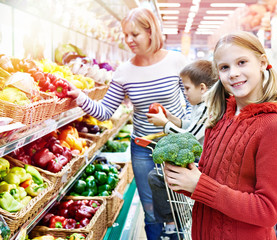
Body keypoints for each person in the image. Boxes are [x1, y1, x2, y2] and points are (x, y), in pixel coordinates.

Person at [163, 31, 277, 240]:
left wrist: (199, 185)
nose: (233, 73)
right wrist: (184, 180)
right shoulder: (218, 118)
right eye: (224, 67)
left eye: (242, 62)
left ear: (262, 63)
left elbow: (267, 210)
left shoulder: (274, 126)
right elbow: (211, 185)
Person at [67, 7, 191, 240]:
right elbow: (104, 112)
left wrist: (187, 128)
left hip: (175, 144)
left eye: (135, 34)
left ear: (151, 32)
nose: (129, 40)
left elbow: (191, 102)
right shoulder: (124, 72)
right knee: (151, 209)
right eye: (126, 35)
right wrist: (80, 97)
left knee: (178, 206)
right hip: (143, 149)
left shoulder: (176, 61)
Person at [146, 60, 218, 239]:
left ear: (202, 88)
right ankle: (175, 220)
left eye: (186, 88)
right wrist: (173, 120)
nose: (184, 93)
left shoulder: (208, 107)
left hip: (201, 162)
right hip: (198, 158)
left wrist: (165, 125)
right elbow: (191, 127)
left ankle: (173, 223)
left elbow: (190, 136)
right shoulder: (199, 106)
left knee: (156, 177)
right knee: (159, 176)